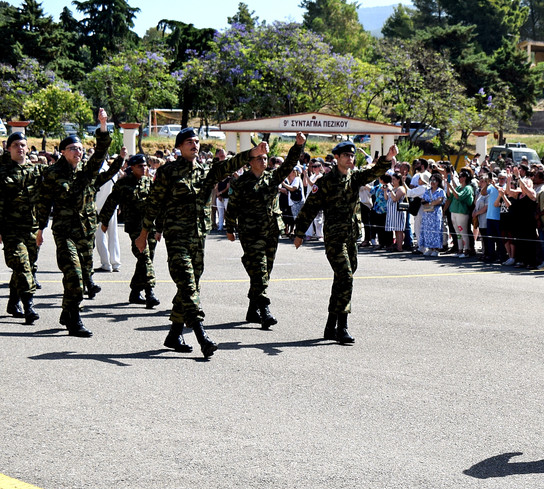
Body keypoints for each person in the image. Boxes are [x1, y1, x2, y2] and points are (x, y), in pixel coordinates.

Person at [137, 128, 265, 357]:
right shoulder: (168, 172)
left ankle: (174, 334)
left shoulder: (205, 171)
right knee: (188, 285)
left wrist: (251, 152)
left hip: (198, 238)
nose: (194, 145)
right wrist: (143, 234)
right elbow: (153, 203)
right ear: (179, 146)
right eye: (189, 142)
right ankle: (201, 335)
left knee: (190, 286)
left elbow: (228, 165)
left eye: (196, 141)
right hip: (177, 238)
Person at [293, 141, 396, 344]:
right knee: (346, 276)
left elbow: (375, 171)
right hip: (334, 238)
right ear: (337, 158)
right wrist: (299, 232)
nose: (350, 158)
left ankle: (330, 326)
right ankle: (342, 327)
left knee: (341, 280)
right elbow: (310, 207)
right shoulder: (325, 182)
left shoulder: (355, 178)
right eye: (346, 155)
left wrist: (388, 157)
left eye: (352, 155)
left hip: (352, 237)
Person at [34, 110, 124, 337]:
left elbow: (101, 153)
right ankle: (74, 320)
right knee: (73, 274)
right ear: (63, 152)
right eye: (73, 148)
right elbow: (43, 202)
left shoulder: (87, 173)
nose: (78, 151)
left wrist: (103, 126)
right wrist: (40, 229)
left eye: (80, 148)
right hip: (64, 232)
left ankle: (67, 311)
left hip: (85, 233)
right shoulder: (53, 174)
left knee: (81, 277)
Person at [225, 133, 306, 328]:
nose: (263, 161)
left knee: (265, 270)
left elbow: (288, 164)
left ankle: (253, 310)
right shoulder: (241, 182)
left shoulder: (273, 177)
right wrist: (229, 228)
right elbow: (232, 207)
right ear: (250, 162)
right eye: (259, 158)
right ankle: (264, 310)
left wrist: (298, 146)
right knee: (259, 269)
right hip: (251, 232)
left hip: (271, 231)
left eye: (264, 158)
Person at [98, 153, 159, 308]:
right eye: (140, 166)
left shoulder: (148, 182)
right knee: (144, 258)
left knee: (146, 259)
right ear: (132, 167)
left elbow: (157, 204)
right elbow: (111, 202)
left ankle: (135, 291)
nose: (144, 168)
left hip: (149, 227)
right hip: (134, 228)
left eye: (145, 165)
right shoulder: (123, 184)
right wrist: (104, 222)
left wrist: (160, 226)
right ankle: (150, 292)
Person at [1, 130, 47, 324]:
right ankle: (29, 306)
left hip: (31, 228)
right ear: (8, 148)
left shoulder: (36, 171)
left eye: (23, 145)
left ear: (28, 148)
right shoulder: (2, 171)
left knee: (25, 267)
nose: (20, 148)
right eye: (15, 145)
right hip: (11, 229)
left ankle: (13, 303)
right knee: (22, 265)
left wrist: (41, 229)